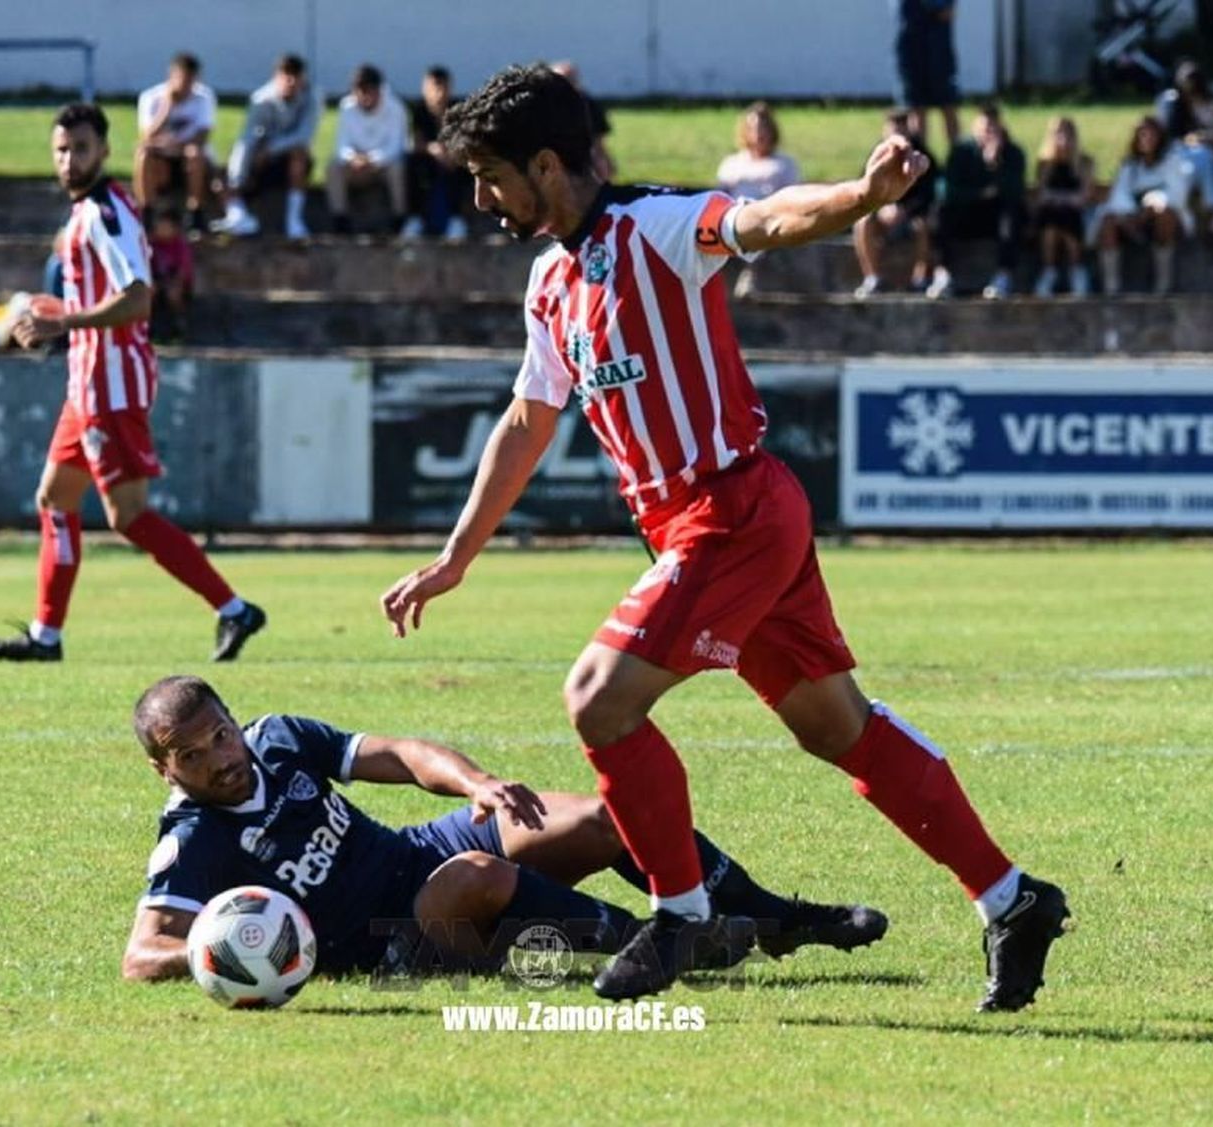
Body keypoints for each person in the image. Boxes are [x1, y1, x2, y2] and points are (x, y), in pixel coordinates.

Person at [380, 64, 1069, 1007]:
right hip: (712, 522)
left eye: (491, 175)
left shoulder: (656, 228)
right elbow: (526, 419)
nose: (481, 198)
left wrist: (863, 198)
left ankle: (683, 914)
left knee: (597, 700)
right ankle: (1012, 897)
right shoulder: (549, 281)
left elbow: (771, 218)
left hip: (730, 510)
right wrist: (456, 555)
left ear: (547, 163)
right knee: (840, 730)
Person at [122, 675, 888, 981]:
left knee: (604, 816)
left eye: (220, 734)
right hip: (386, 936)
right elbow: (140, 953)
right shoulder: (193, 837)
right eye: (191, 754)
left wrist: (477, 784)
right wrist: (221, 951)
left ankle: (776, 918)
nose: (220, 759)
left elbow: (399, 754)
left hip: (413, 853)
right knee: (475, 880)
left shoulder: (279, 737)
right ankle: (661, 942)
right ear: (166, 769)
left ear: (232, 719)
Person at [0, 103, 266, 664]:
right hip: (85, 384)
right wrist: (50, 313)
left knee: (128, 515)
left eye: (80, 148)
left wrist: (62, 321)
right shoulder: (84, 213)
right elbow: (100, 300)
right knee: (55, 499)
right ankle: (46, 636)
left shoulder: (105, 212)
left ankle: (234, 610)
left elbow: (138, 298)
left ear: (104, 152)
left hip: (112, 386)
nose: (68, 159)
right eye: (61, 149)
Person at [212, 53, 319, 240]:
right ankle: (238, 215)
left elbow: (303, 136)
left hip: (284, 158)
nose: (291, 83)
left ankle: (294, 221)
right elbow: (247, 139)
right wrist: (238, 178)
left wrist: (271, 149)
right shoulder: (261, 100)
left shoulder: (312, 99)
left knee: (299, 155)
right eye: (286, 76)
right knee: (222, 175)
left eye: (296, 77)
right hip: (260, 160)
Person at [928, 102, 1025, 300]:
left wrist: (994, 164)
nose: (988, 133)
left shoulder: (1013, 153)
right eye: (984, 129)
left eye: (992, 128)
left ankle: (1003, 276)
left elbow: (1014, 191)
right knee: (939, 213)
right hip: (966, 214)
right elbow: (947, 190)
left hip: (994, 216)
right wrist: (980, 193)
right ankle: (942, 274)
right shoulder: (961, 151)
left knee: (1011, 215)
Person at [1094, 116, 1192, 296]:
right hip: (1134, 221)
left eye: (1151, 134)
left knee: (1164, 215)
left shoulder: (1173, 161)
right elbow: (1119, 197)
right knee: (1108, 222)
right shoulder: (1129, 167)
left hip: (1164, 222)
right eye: (1142, 134)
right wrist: (1131, 215)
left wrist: (1152, 204)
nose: (1147, 139)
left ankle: (1163, 284)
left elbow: (1177, 196)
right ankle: (1111, 288)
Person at [852, 109, 937, 298]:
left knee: (923, 226)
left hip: (912, 216)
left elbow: (929, 193)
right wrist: (882, 209)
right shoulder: (876, 157)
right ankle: (872, 278)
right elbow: (863, 190)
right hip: (882, 215)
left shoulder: (920, 155)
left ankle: (920, 278)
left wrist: (905, 211)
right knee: (863, 224)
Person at [1156, 59, 1213, 238]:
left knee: (1205, 157)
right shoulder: (1170, 102)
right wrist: (1189, 140)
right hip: (1177, 157)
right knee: (1199, 161)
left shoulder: (1208, 105)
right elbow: (1165, 137)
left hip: (1205, 157)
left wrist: (1209, 139)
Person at [134, 53, 216, 231]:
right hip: (161, 157)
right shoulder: (151, 97)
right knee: (143, 154)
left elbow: (203, 135)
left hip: (186, 155)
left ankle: (196, 212)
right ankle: (147, 210)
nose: (185, 85)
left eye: (190, 80)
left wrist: (174, 145)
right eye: (182, 79)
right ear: (171, 75)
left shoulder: (204, 97)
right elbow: (147, 136)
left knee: (194, 153)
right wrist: (167, 107)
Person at [325, 63, 409, 236]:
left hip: (382, 165)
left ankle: (399, 219)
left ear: (378, 90)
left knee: (398, 168)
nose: (364, 97)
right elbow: (341, 145)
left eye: (368, 91)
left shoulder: (396, 108)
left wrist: (372, 159)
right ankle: (340, 219)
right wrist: (352, 158)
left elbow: (396, 147)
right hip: (355, 166)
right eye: (359, 92)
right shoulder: (346, 107)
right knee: (333, 167)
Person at [1030, 117, 1094, 298]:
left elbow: (1085, 196)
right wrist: (1062, 199)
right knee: (1052, 217)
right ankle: (1049, 271)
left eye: (1067, 133)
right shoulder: (1045, 164)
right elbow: (1041, 195)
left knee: (1065, 215)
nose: (1063, 138)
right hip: (1051, 214)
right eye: (1058, 134)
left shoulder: (1084, 162)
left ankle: (1076, 269)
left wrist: (1060, 198)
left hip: (1077, 215)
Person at [404, 64, 470, 240]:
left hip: (453, 159)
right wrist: (432, 149)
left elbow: (464, 140)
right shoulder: (419, 111)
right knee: (413, 165)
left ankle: (456, 219)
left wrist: (450, 154)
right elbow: (415, 142)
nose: (439, 93)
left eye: (443, 87)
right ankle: (415, 218)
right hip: (427, 160)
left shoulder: (457, 110)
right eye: (435, 87)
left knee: (461, 167)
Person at [892, 0, 959, 150]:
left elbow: (946, 13)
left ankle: (958, 160)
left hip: (938, 50)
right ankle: (921, 160)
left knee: (948, 105)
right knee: (917, 108)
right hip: (912, 51)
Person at [716, 102, 800, 202]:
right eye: (752, 129)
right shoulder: (731, 163)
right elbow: (721, 196)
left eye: (763, 128)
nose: (758, 134)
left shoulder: (785, 164)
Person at [550, 61, 614, 181]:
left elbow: (598, 140)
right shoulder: (543, 106)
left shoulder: (588, 104)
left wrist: (605, 161)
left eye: (569, 79)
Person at [147, 205, 193, 344]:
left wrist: (171, 285)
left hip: (175, 283)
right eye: (159, 226)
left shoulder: (180, 246)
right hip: (156, 281)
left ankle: (178, 325)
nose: (161, 230)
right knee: (148, 291)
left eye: (166, 227)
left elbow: (182, 274)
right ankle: (148, 327)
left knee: (173, 292)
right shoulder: (150, 244)